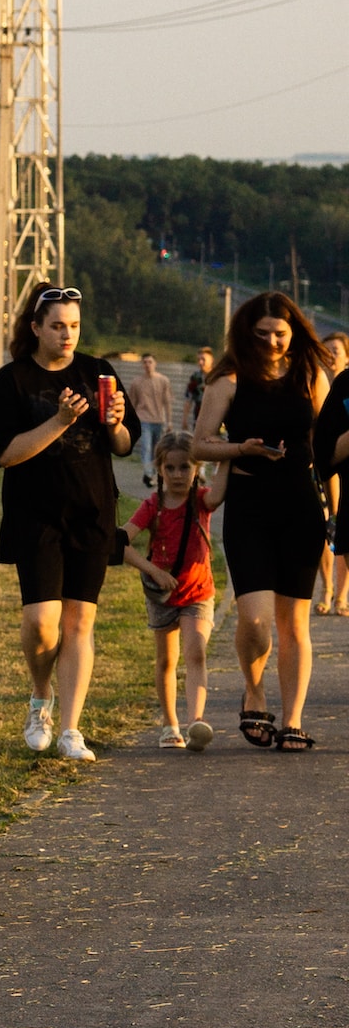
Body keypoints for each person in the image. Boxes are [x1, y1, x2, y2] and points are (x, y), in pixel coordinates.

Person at [0, 284, 134, 762]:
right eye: (57, 326)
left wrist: (115, 422)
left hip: (92, 514)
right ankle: (40, 696)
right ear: (36, 329)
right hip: (36, 517)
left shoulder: (99, 372)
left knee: (80, 621)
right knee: (42, 624)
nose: (67, 335)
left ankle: (71, 730)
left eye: (74, 326)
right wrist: (60, 422)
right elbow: (3, 455)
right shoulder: (14, 380)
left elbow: (125, 445)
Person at [192, 289, 329, 749]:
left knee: (295, 625)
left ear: (294, 333)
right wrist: (241, 449)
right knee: (255, 622)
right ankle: (254, 692)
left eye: (281, 334)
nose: (273, 342)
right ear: (247, 333)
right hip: (250, 506)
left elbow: (327, 443)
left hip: (300, 507)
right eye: (264, 334)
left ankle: (292, 719)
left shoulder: (309, 375)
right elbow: (199, 444)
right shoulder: (228, 379)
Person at [124, 432, 215, 749]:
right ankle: (170, 724)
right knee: (166, 661)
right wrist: (153, 571)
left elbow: (221, 494)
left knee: (196, 653)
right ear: (160, 469)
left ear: (196, 468)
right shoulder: (153, 506)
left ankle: (195, 723)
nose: (178, 475)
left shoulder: (202, 500)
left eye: (185, 467)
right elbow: (121, 543)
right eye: (171, 468)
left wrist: (231, 453)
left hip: (198, 592)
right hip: (162, 598)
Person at [314, 335, 349, 614]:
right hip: (322, 474)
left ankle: (340, 595)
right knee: (326, 530)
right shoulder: (338, 386)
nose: (330, 355)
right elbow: (326, 452)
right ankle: (329, 590)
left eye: (335, 350)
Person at [130, 354, 174, 483]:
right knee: (146, 447)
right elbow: (132, 403)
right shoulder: (136, 382)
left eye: (150, 362)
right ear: (142, 365)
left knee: (157, 448)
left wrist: (169, 421)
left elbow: (167, 402)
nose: (147, 364)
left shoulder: (163, 380)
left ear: (155, 363)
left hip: (159, 420)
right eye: (145, 362)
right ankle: (148, 473)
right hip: (143, 419)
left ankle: (155, 473)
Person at [182, 346, 215, 434]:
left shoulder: (218, 377)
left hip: (217, 418)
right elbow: (188, 399)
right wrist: (185, 419)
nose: (200, 362)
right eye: (198, 359)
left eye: (203, 359)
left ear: (211, 360)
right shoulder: (195, 377)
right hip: (199, 418)